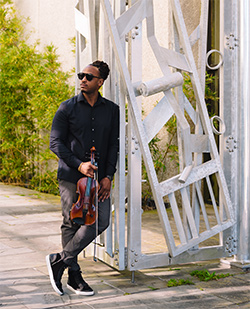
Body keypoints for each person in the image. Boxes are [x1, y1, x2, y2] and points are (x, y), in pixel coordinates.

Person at [46, 60, 119, 296]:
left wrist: (108, 175)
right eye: (81, 75)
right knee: (71, 222)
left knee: (101, 221)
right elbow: (55, 143)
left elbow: (112, 145)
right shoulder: (66, 108)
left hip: (99, 180)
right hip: (71, 175)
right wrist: (80, 165)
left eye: (89, 76)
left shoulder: (112, 110)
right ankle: (74, 276)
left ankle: (60, 260)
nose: (83, 79)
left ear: (100, 82)